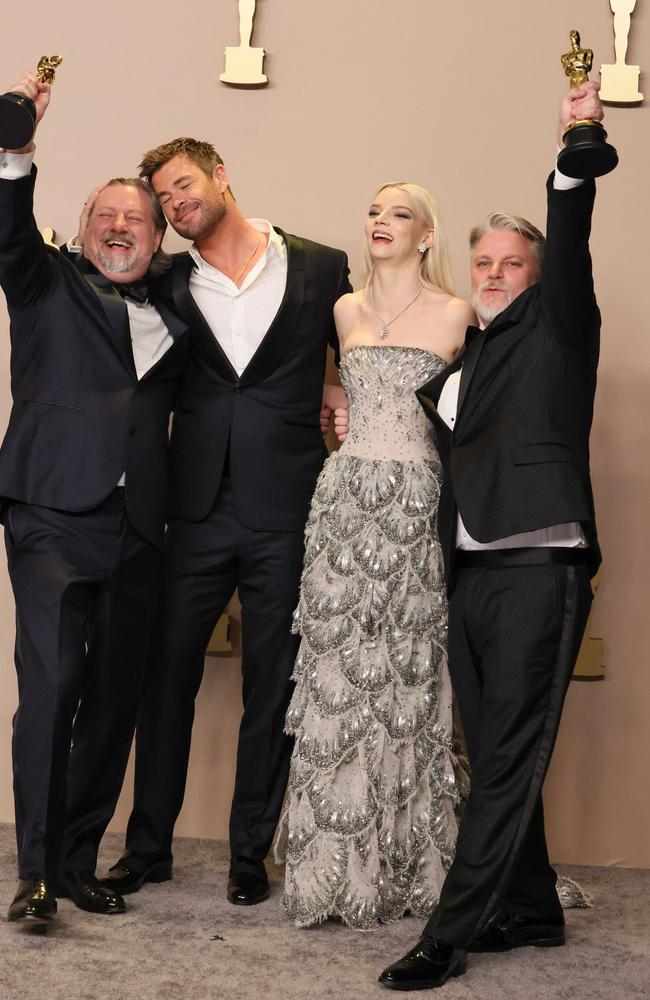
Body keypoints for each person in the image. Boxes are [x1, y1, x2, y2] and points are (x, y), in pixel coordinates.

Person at [380, 82, 604, 990]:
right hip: (470, 566)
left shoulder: (562, 323)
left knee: (507, 749)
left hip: (538, 560)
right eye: (485, 262)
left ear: (538, 273)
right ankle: (533, 906)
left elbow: (573, 233)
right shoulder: (463, 359)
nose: (496, 273)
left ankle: (451, 930)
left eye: (512, 262)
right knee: (497, 743)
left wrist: (572, 152)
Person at [102, 138, 351, 906]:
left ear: (221, 177)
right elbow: (98, 274)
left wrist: (339, 383)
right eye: (166, 199)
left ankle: (251, 852)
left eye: (184, 187)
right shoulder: (168, 279)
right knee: (165, 677)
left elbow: (363, 344)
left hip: (287, 506)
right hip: (195, 507)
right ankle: (149, 848)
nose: (177, 206)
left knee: (270, 685)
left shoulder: (322, 265)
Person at [0, 73, 188, 924]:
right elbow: (7, 230)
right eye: (105, 217)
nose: (120, 229)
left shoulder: (180, 309)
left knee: (116, 697)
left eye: (136, 219)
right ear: (81, 229)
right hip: (49, 514)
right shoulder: (43, 282)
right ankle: (33, 871)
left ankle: (78, 859)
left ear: (157, 236)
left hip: (140, 525)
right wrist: (16, 150)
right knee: (52, 685)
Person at [273, 181, 476, 928]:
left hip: (417, 501)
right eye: (373, 211)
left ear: (427, 235)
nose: (380, 222)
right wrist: (340, 413)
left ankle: (405, 864)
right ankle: (332, 873)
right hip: (344, 501)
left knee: (407, 676)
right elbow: (334, 394)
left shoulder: (459, 313)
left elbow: (471, 415)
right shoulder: (343, 311)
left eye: (399, 213)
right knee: (337, 675)